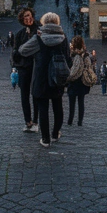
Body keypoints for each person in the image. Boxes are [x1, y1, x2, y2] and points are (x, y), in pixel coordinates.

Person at [19, 12, 70, 148]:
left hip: (41, 76)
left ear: (44, 23)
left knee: (43, 109)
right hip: (57, 76)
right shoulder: (63, 38)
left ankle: (45, 139)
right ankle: (55, 133)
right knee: (58, 106)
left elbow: (23, 51)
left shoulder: (39, 38)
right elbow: (67, 58)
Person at [11, 8, 41, 132]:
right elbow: (15, 51)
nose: (27, 18)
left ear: (32, 16)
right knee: (24, 96)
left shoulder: (39, 30)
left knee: (36, 95)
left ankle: (35, 121)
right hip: (23, 67)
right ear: (22, 20)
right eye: (25, 17)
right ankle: (27, 121)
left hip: (36, 66)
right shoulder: (20, 34)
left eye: (29, 15)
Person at [66, 35, 93, 127]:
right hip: (83, 81)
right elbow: (89, 66)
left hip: (75, 81)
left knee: (72, 102)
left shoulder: (76, 55)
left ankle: (70, 120)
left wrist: (68, 78)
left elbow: (74, 70)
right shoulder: (86, 54)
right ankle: (79, 121)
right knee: (81, 102)